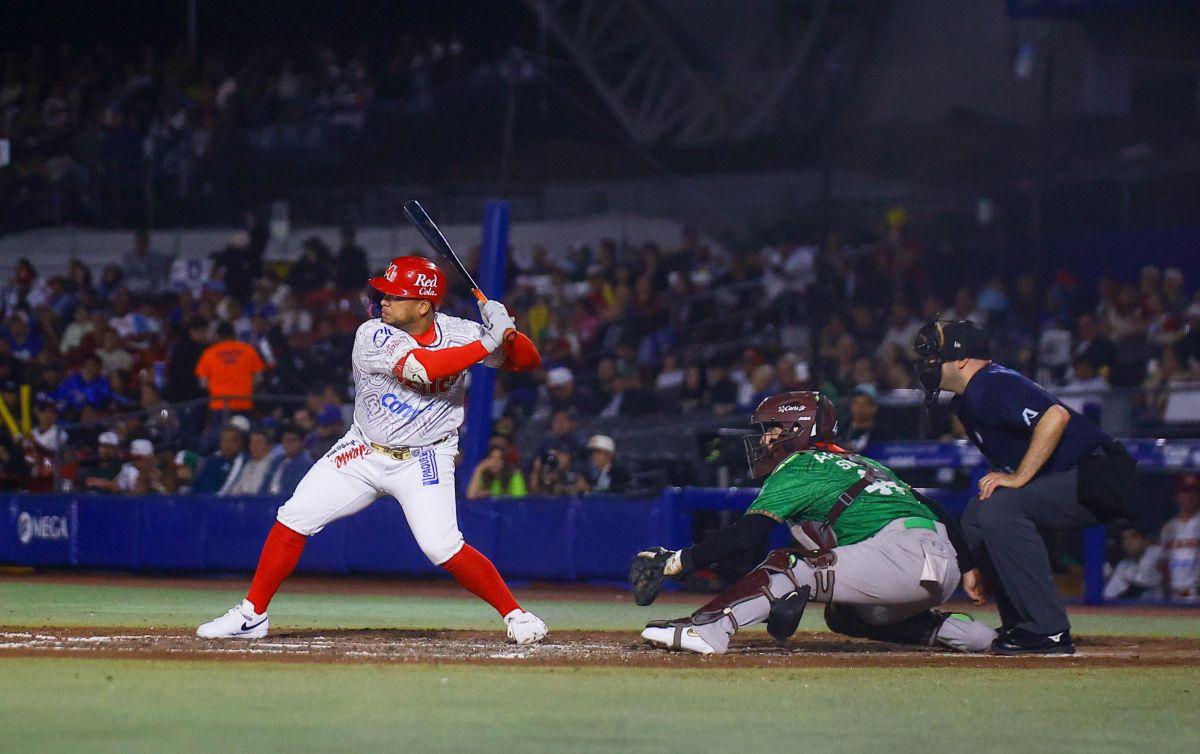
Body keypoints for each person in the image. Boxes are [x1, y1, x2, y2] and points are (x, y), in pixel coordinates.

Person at [196, 256, 547, 645]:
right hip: (362, 450)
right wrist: (488, 340)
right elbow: (422, 369)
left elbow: (528, 361)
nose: (383, 300)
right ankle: (252, 615)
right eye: (384, 293)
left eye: (396, 296)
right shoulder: (373, 335)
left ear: (423, 306)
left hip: (426, 457)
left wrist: (507, 330)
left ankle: (517, 614)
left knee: (442, 547)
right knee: (294, 516)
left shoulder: (461, 333)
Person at [631, 391, 996, 656]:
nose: (764, 439)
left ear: (797, 429)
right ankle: (969, 634)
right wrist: (967, 567)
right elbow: (934, 506)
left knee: (789, 565)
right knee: (846, 616)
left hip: (899, 557)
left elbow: (748, 535)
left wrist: (678, 561)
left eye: (772, 429)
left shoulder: (801, 464)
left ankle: (709, 629)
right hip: (935, 565)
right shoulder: (861, 462)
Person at [913, 320, 1138, 654]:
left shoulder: (990, 382)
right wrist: (971, 565)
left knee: (1000, 507)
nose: (927, 364)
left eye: (934, 356)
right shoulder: (968, 399)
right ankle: (1021, 623)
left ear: (960, 358)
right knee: (978, 511)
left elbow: (1054, 417)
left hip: (1100, 472)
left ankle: (1048, 630)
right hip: (1074, 475)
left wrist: (1018, 478)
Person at [195, 321, 266, 413]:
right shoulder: (249, 350)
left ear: (218, 336)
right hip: (244, 403)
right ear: (234, 334)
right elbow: (259, 378)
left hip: (219, 404)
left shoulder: (209, 353)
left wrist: (218, 387)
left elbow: (203, 383)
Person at [1160, 473, 1200, 603]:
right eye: (1184, 492)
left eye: (1193, 492)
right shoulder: (1169, 528)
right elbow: (1164, 562)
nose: (1188, 496)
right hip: (1174, 595)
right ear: (1177, 496)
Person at [1103, 527, 1163, 602]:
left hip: (1171, 605)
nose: (1128, 542)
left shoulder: (1156, 552)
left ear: (1146, 541)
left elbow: (1144, 580)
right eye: (1125, 539)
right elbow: (1109, 594)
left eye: (1134, 537)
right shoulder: (1124, 565)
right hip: (1143, 608)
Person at [192, 423, 249, 494]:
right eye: (224, 440)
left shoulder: (245, 462)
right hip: (196, 500)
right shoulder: (210, 460)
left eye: (232, 440)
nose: (227, 444)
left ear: (240, 443)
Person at [222, 429, 276, 496]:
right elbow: (235, 489)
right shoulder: (248, 464)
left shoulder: (273, 465)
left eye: (258, 443)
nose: (254, 446)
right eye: (252, 443)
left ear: (268, 446)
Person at [265, 424, 315, 497]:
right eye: (285, 440)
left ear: (302, 442)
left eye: (291, 441)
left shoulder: (306, 464)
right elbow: (265, 485)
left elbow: (294, 492)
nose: (287, 444)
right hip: (266, 501)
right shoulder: (277, 460)